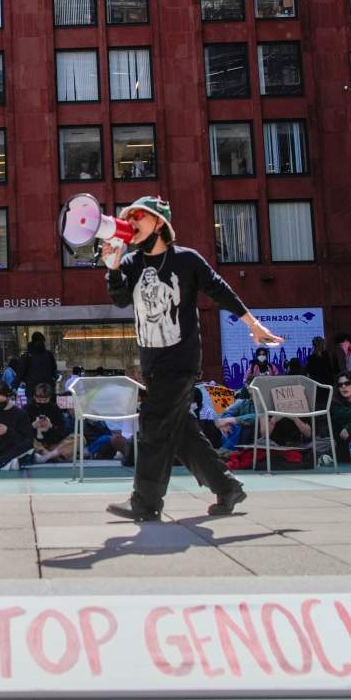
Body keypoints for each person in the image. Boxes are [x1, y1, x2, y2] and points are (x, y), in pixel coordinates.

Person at [101, 195, 280, 521]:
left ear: (159, 223)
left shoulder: (186, 260)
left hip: (181, 359)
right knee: (180, 431)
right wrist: (113, 268)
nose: (130, 221)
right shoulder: (132, 263)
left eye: (137, 216)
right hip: (152, 362)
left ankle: (145, 502)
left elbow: (219, 289)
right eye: (127, 216)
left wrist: (252, 324)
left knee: (154, 424)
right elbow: (120, 298)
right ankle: (227, 487)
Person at [26, 383, 74, 463]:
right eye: (39, 400)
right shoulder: (27, 409)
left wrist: (51, 426)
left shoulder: (55, 409)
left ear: (49, 398)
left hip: (53, 444)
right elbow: (22, 432)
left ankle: (48, 456)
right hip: (36, 445)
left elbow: (62, 433)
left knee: (79, 438)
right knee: (27, 439)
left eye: (45, 400)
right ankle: (51, 456)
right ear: (34, 397)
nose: (42, 402)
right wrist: (33, 426)